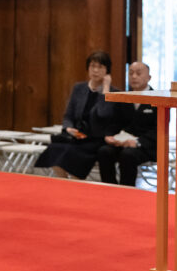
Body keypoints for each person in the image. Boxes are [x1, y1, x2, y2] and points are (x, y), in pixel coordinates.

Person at [35, 51, 128, 179]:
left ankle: (74, 185)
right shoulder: (79, 88)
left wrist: (105, 90)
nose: (95, 70)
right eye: (92, 66)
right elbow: (68, 115)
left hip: (97, 140)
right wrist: (68, 128)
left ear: (107, 70)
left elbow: (103, 114)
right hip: (77, 136)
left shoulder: (114, 93)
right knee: (54, 148)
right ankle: (64, 183)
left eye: (100, 67)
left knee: (74, 155)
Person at [97, 61, 157, 186]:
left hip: (146, 146)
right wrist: (109, 135)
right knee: (104, 151)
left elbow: (159, 130)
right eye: (131, 73)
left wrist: (137, 142)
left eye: (138, 73)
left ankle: (127, 190)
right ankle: (109, 188)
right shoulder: (124, 97)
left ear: (149, 77)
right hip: (123, 141)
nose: (134, 76)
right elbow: (114, 122)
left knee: (128, 155)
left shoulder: (158, 99)